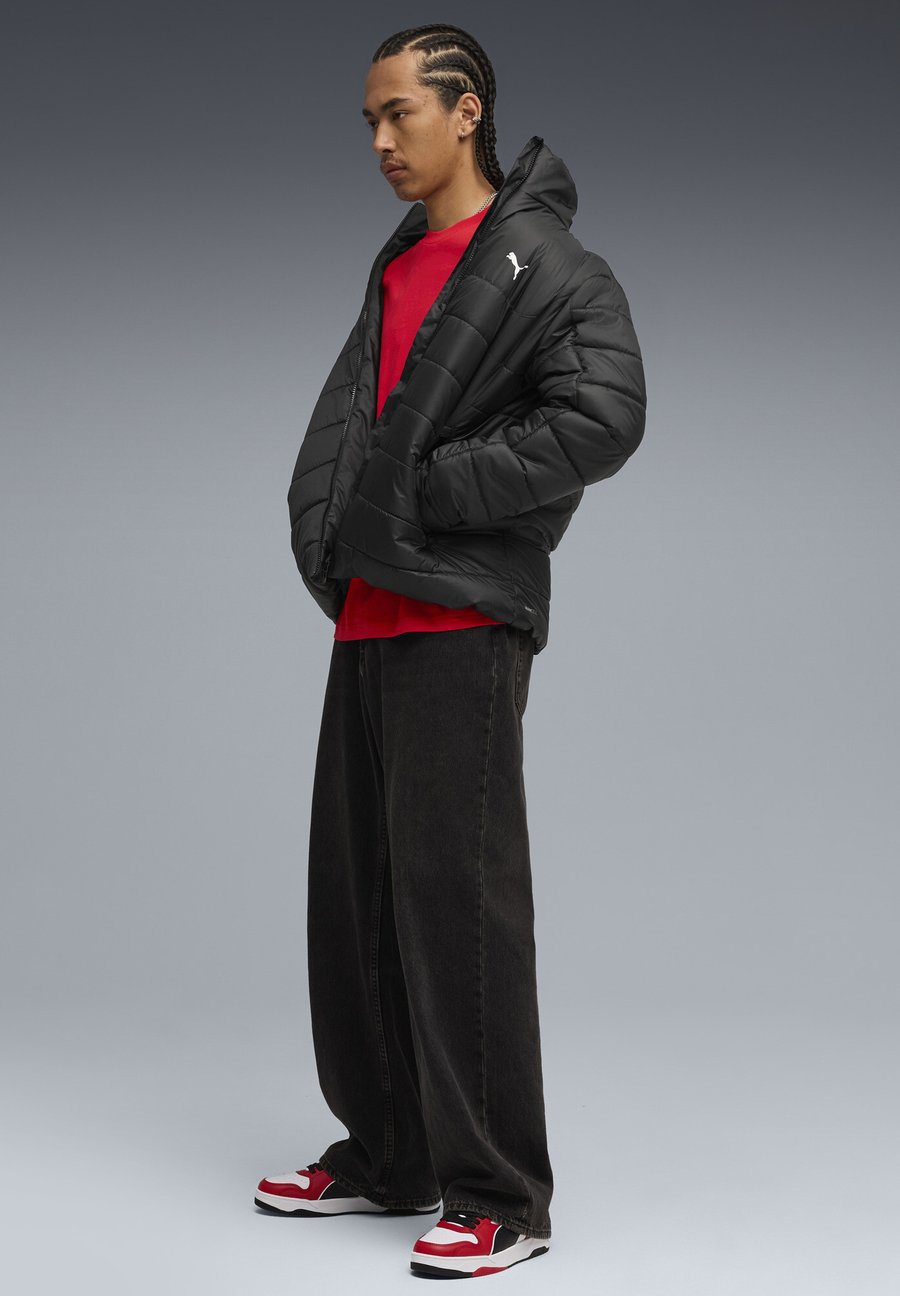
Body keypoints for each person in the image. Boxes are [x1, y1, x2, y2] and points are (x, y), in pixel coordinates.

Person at [255, 23, 647, 1279]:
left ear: (467, 109)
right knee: (358, 899)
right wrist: (344, 522)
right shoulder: (401, 265)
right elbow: (363, 425)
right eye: (367, 122)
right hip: (374, 615)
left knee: (457, 909)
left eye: (399, 114)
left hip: (462, 622)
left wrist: (427, 489)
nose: (379, 141)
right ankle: (391, 1155)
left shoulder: (548, 264)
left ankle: (502, 1196)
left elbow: (603, 414)